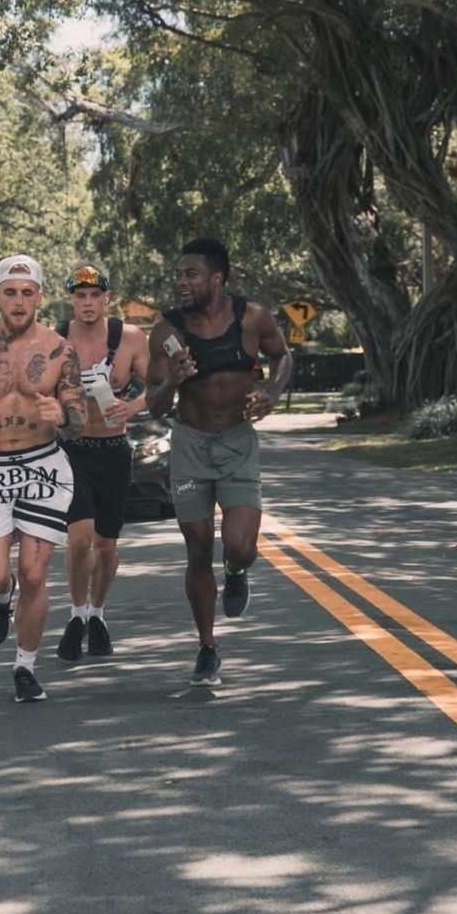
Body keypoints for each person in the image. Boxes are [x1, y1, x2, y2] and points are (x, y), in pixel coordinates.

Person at [146, 238, 292, 687]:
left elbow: (282, 356)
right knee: (197, 549)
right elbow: (154, 405)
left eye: (190, 274)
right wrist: (173, 381)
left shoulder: (253, 318)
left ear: (216, 278)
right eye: (178, 275)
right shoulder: (167, 332)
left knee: (241, 546)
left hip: (236, 444)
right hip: (190, 445)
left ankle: (235, 571)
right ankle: (207, 648)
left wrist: (271, 393)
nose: (181, 282)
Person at [0, 255, 87, 703]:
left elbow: (80, 419)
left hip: (44, 466)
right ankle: (1, 598)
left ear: (39, 296)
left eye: (27, 292)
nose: (19, 301)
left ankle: (25, 666)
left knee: (34, 573)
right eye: (10, 292)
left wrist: (62, 415)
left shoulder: (60, 349)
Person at [54, 264, 150, 662]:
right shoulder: (54, 339)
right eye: (80, 296)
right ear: (71, 300)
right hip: (70, 450)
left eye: (95, 295)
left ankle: (97, 614)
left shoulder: (130, 338)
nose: (88, 303)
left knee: (106, 546)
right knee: (79, 541)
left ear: (106, 297)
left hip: (113, 450)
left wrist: (131, 406)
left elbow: (158, 386)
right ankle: (76, 615)